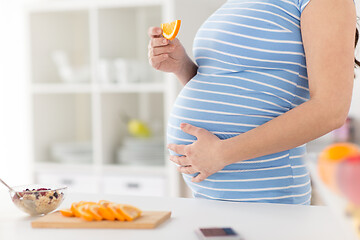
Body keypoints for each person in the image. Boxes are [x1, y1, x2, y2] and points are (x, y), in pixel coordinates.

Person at [147, 0, 359, 204]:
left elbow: (331, 110)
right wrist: (181, 66)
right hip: (209, 194)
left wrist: (221, 153)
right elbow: (229, 87)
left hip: (266, 196)